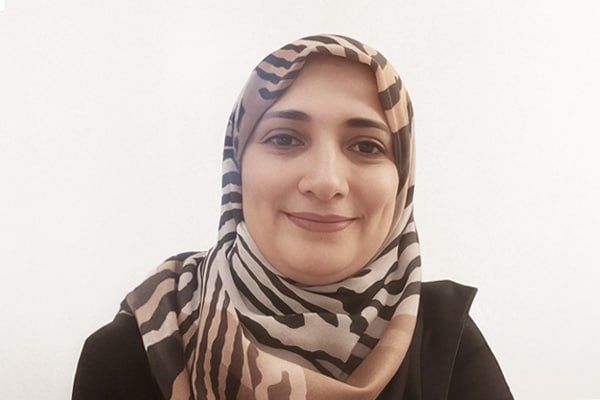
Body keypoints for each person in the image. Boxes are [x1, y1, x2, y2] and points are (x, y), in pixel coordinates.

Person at [72, 34, 513, 400]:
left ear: (402, 181)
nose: (325, 181)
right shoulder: (140, 349)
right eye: (284, 139)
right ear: (237, 169)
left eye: (366, 146)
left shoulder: (444, 343)